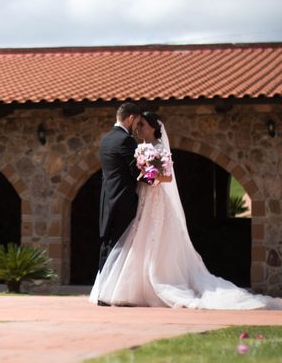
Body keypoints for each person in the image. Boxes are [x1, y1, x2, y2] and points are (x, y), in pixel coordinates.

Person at [90, 111, 282, 309]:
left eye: (143, 125)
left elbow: (167, 177)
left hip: (156, 200)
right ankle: (131, 285)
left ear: (154, 128)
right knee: (138, 239)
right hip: (142, 200)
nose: (139, 129)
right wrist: (143, 174)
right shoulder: (140, 148)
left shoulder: (159, 148)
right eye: (138, 125)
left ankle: (155, 283)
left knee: (155, 240)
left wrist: (149, 177)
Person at [96, 102, 142, 306]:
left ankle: (102, 292)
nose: (137, 127)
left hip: (108, 198)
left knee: (108, 243)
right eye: (137, 122)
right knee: (122, 244)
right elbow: (136, 171)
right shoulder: (126, 141)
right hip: (123, 199)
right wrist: (153, 178)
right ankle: (110, 293)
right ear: (130, 118)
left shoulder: (105, 140)